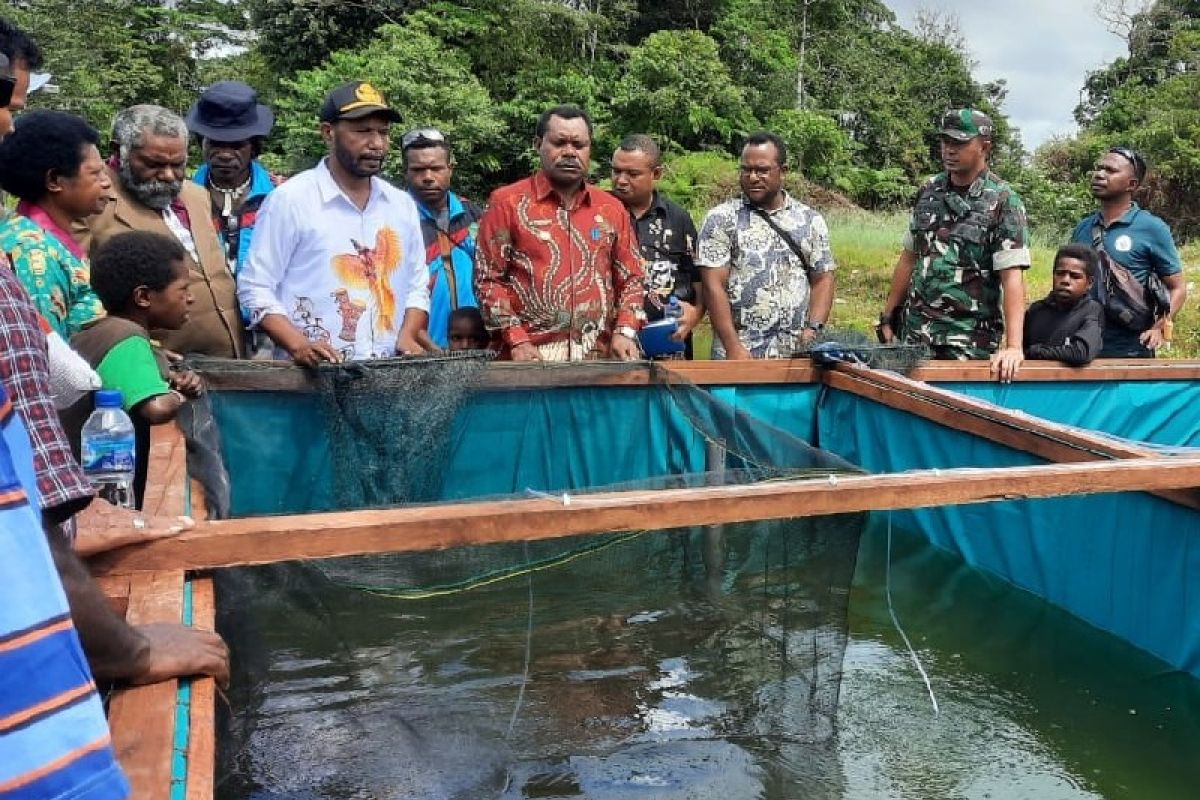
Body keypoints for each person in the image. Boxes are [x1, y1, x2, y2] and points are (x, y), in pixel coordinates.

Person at [239, 81, 431, 365]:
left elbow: (417, 283)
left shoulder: (400, 205)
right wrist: (299, 345)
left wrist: (408, 334)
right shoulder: (290, 201)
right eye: (363, 131)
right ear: (328, 133)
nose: (377, 143)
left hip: (389, 376)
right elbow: (254, 287)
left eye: (383, 132)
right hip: (312, 380)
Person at [0, 383, 130, 800]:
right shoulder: (15, 321)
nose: (187, 310)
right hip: (40, 768)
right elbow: (76, 378)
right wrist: (133, 651)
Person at [475, 105, 645, 361]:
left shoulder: (611, 209)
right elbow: (487, 279)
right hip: (525, 362)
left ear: (589, 149)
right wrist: (516, 340)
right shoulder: (507, 203)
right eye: (559, 143)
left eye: (579, 145)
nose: (569, 152)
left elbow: (632, 277)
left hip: (599, 363)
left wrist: (625, 330)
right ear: (538, 144)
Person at [879, 108, 1029, 382]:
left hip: (968, 340)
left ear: (985, 147)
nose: (949, 150)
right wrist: (888, 315)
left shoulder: (1003, 201)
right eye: (945, 142)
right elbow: (909, 257)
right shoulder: (929, 190)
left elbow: (1012, 277)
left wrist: (1014, 346)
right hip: (915, 334)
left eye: (959, 143)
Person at [80, 104, 242, 359]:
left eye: (177, 164)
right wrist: (146, 352)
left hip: (231, 365)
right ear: (117, 151)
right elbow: (81, 299)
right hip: (154, 369)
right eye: (153, 164)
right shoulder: (91, 207)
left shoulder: (197, 196)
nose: (167, 175)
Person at [68, 232, 204, 509]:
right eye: (182, 290)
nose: (190, 299)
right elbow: (155, 408)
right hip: (96, 491)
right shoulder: (127, 338)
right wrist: (183, 394)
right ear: (143, 297)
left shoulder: (100, 331)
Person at [697, 131, 835, 360]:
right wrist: (733, 347)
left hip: (795, 356)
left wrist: (813, 330)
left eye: (762, 170)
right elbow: (713, 287)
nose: (752, 177)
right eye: (746, 170)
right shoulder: (721, 219)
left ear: (783, 171)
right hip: (739, 355)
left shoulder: (810, 220)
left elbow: (823, 278)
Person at [0, 110, 110, 338]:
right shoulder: (33, 253)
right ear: (54, 181)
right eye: (96, 174)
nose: (107, 182)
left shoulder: (48, 238)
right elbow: (48, 352)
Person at [1070, 146, 1187, 358]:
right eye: (1098, 168)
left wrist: (1159, 327)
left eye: (1110, 170)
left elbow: (1177, 288)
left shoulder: (1151, 227)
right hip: (1084, 345)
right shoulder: (1083, 228)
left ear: (1131, 184)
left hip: (1131, 348)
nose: (1099, 174)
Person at [610, 134, 704, 358]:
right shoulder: (598, 214)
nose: (621, 180)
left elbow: (700, 281)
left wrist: (696, 313)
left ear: (657, 174)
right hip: (610, 348)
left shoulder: (678, 219)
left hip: (667, 348)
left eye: (632, 174)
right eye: (616, 171)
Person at [187, 81, 279, 296]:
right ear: (202, 143)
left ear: (254, 147)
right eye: (215, 144)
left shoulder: (280, 196)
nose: (225, 154)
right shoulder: (181, 201)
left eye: (237, 145)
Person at [402, 127, 482, 350]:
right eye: (418, 170)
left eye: (436, 168)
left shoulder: (473, 215)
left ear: (450, 170)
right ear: (404, 173)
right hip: (420, 350)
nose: (428, 177)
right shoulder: (395, 220)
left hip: (476, 349)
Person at [1024, 244, 1104, 366]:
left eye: (1075, 276)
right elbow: (1020, 351)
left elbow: (1081, 352)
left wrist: (1036, 351)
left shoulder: (1091, 310)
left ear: (1089, 283)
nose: (1066, 280)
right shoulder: (1036, 311)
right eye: (1060, 273)